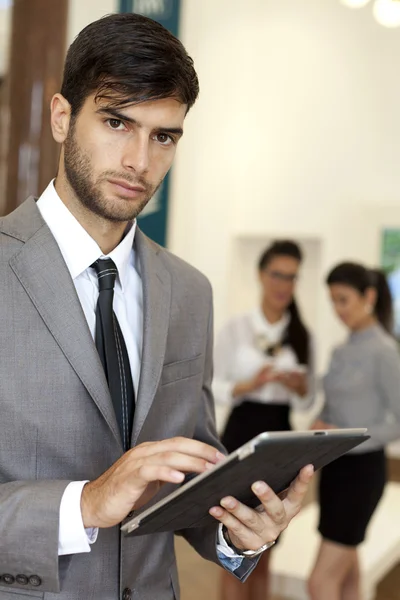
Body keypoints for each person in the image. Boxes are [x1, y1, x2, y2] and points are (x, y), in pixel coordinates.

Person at [0, 13, 313, 600]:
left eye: (163, 135)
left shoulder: (190, 292)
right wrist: (86, 503)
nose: (139, 161)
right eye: (117, 122)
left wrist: (240, 531)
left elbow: (188, 484)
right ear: (62, 117)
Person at [213, 240, 315, 600]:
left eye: (291, 277)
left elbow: (309, 401)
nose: (283, 284)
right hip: (242, 431)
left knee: (269, 539)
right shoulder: (236, 328)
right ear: (261, 275)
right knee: (232, 538)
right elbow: (213, 385)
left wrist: (300, 386)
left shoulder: (302, 334)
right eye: (277, 274)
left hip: (281, 434)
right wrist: (250, 383)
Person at [308, 262, 400, 600]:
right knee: (347, 573)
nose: (337, 310)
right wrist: (318, 426)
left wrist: (349, 437)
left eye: (344, 300)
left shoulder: (384, 351)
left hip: (362, 474)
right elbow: (331, 408)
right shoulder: (340, 351)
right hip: (334, 472)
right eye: (333, 300)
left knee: (319, 582)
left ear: (369, 297)